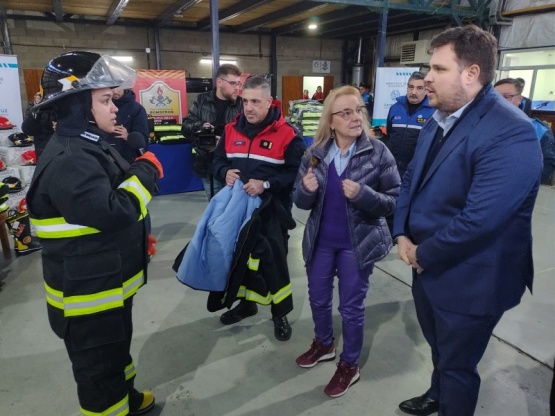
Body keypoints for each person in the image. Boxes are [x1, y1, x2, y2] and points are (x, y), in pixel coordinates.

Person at [393, 26, 542, 416]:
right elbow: (411, 179)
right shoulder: (440, 117)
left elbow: (481, 219)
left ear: (471, 73)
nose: (427, 76)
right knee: (441, 348)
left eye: (438, 68)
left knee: (459, 364)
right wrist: (401, 234)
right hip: (425, 264)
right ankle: (436, 393)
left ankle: (450, 400)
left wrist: (424, 253)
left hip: (471, 276)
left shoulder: (512, 132)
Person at [26, 51, 163, 416]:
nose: (114, 108)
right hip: (88, 297)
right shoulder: (72, 158)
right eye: (104, 100)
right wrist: (147, 170)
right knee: (99, 374)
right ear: (77, 106)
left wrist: (133, 239)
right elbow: (115, 209)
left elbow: (97, 217)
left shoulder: (87, 144)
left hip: (104, 283)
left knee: (115, 354)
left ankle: (128, 401)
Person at [292, 86, 400, 398]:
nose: (355, 117)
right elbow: (299, 202)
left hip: (358, 244)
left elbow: (394, 199)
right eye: (346, 112)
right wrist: (306, 189)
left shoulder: (378, 152)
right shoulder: (314, 154)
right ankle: (323, 343)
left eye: (359, 110)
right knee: (318, 299)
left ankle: (349, 364)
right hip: (321, 243)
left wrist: (364, 195)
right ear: (332, 121)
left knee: (351, 308)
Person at [212, 75, 306, 341]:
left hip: (272, 215)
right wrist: (224, 172)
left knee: (274, 266)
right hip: (239, 214)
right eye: (245, 101)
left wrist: (266, 183)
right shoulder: (231, 131)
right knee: (241, 262)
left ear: (269, 102)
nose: (249, 108)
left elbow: (296, 173)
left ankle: (280, 314)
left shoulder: (288, 135)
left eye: (255, 101)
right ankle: (247, 305)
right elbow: (217, 162)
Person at [182, 64, 243, 200]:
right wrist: (201, 126)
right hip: (207, 166)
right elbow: (185, 128)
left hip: (233, 168)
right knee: (216, 208)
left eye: (239, 84)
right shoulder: (202, 101)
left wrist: (223, 142)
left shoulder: (242, 105)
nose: (237, 88)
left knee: (234, 210)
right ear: (220, 82)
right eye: (233, 83)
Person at [494, 77, 555, 185]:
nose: (499, 101)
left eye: (506, 97)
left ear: (519, 99)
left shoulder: (539, 131)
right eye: (495, 97)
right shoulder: (480, 126)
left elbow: (546, 171)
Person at [385, 71, 434, 180]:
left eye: (419, 88)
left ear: (426, 90)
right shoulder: (395, 108)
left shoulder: (433, 112)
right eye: (411, 87)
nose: (413, 92)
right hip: (392, 167)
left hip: (416, 170)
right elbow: (389, 135)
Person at [107, 87, 150, 163]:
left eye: (119, 87)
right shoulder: (101, 107)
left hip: (128, 159)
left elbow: (144, 140)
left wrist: (128, 136)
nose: (115, 91)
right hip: (106, 156)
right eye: (112, 88)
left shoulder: (137, 109)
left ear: (125, 87)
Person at [22, 92, 56, 160]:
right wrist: (34, 111)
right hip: (43, 149)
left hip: (62, 149)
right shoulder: (37, 108)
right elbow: (27, 129)